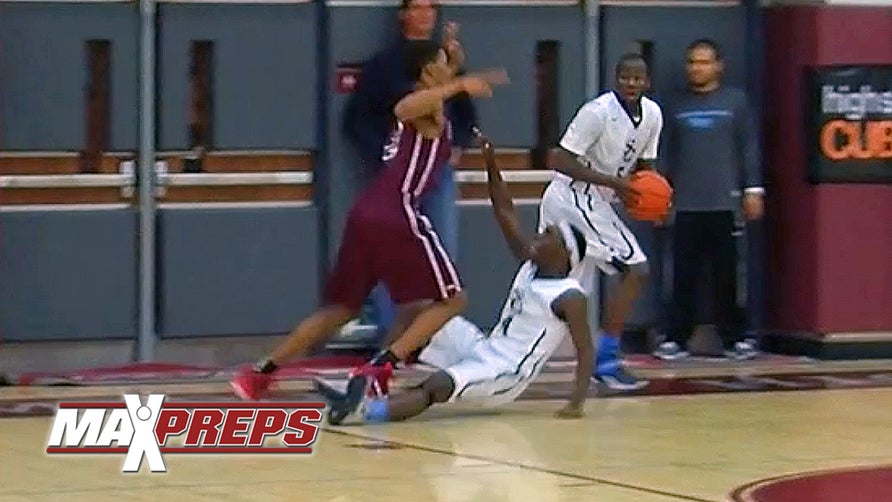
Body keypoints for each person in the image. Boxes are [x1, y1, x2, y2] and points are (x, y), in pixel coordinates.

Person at [230, 41, 505, 400]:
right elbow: (405, 106)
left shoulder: (432, 97)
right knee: (453, 299)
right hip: (398, 212)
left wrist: (454, 61)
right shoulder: (427, 106)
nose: (449, 70)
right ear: (426, 73)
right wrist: (459, 84)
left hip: (366, 214)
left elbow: (432, 84)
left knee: (350, 308)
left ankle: (260, 373)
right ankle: (380, 368)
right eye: (440, 64)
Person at [318, 130, 595, 425]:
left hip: (506, 372)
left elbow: (585, 349)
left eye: (549, 235)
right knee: (419, 309)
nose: (539, 234)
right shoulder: (531, 265)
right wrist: (491, 162)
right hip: (484, 346)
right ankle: (373, 380)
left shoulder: (569, 295)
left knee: (437, 385)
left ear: (565, 254)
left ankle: (362, 412)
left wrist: (576, 402)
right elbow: (505, 210)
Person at [344, 0, 477, 340]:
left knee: (441, 249)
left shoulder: (446, 63)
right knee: (394, 253)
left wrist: (458, 143)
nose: (425, 15)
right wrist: (384, 155)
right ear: (403, 14)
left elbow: (464, 112)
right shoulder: (384, 65)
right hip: (397, 179)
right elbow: (357, 120)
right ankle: (392, 337)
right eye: (418, 8)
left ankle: (433, 338)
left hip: (437, 174)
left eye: (431, 8)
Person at [539, 53, 663, 390]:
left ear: (647, 82)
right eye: (625, 77)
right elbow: (559, 159)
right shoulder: (597, 112)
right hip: (571, 197)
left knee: (567, 289)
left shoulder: (653, 114)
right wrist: (617, 185)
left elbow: (644, 170)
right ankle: (605, 360)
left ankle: (533, 356)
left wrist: (650, 198)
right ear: (615, 79)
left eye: (638, 78)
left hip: (596, 201)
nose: (631, 84)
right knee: (636, 269)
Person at [654, 38, 763, 361]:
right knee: (682, 275)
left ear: (718, 66)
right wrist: (661, 197)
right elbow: (664, 155)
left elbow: (748, 148)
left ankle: (735, 338)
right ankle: (675, 338)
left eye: (703, 62)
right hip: (685, 204)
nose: (697, 68)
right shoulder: (674, 105)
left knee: (728, 275)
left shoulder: (736, 102)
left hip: (726, 204)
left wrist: (753, 190)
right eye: (692, 62)